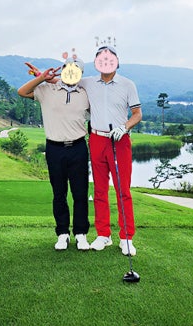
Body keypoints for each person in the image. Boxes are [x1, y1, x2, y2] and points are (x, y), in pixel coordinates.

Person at [18, 59, 91, 251]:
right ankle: (62, 233)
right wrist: (42, 77)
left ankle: (81, 234)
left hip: (78, 148)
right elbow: (22, 92)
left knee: (80, 193)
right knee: (59, 193)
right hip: (54, 148)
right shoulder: (46, 90)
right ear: (63, 70)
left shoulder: (86, 93)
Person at [80, 44, 142, 256]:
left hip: (119, 140)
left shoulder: (127, 85)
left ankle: (126, 237)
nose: (105, 62)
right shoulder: (88, 82)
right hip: (97, 139)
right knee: (99, 190)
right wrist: (41, 76)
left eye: (109, 59)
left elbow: (137, 114)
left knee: (122, 190)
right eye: (101, 59)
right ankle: (103, 235)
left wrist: (124, 127)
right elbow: (66, 80)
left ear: (116, 62)